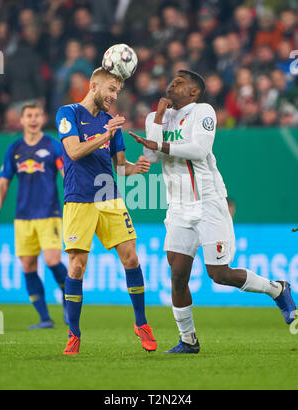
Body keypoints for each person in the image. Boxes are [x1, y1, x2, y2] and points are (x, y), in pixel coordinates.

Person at [129, 69, 296, 354]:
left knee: (219, 274)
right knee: (177, 274)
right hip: (178, 207)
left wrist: (158, 143)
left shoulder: (203, 111)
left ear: (193, 92)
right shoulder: (157, 116)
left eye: (180, 83)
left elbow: (198, 149)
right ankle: (188, 339)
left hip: (208, 203)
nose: (173, 84)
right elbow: (154, 157)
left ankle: (278, 289)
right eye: (172, 80)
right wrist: (157, 118)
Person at [55, 67, 157, 355]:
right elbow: (73, 151)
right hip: (78, 199)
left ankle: (142, 323)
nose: (114, 96)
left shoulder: (112, 123)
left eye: (117, 92)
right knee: (77, 267)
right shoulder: (68, 113)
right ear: (94, 86)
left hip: (109, 197)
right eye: (111, 90)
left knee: (132, 257)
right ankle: (74, 334)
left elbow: (120, 166)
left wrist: (134, 169)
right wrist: (105, 135)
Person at [0, 101, 68, 329]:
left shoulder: (53, 146)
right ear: (22, 119)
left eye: (37, 115)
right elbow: (3, 183)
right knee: (28, 265)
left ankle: (70, 302)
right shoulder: (14, 149)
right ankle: (45, 318)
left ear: (43, 118)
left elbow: (65, 173)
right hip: (23, 217)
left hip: (49, 214)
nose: (34, 119)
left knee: (52, 260)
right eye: (29, 115)